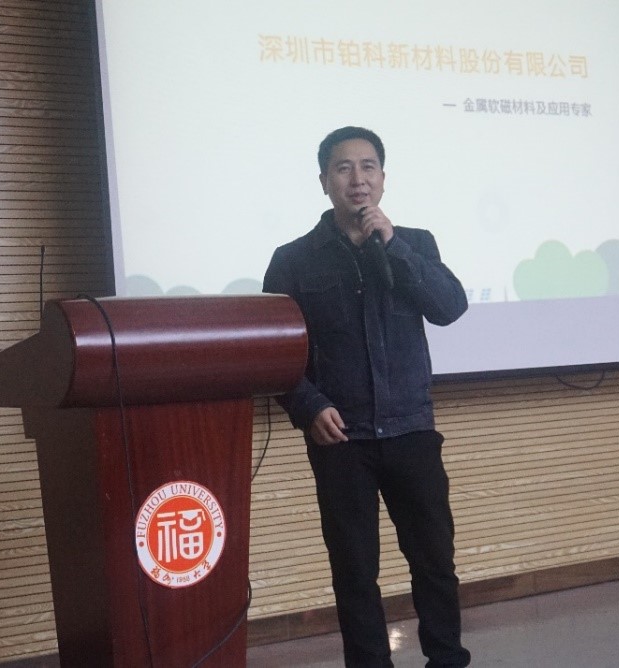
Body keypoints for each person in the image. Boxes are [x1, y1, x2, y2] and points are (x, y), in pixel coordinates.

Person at [263, 126, 471, 667]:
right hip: (341, 439)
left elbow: (449, 307)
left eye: (368, 166)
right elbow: (273, 352)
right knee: (354, 571)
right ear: (324, 181)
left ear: (382, 178)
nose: (358, 178)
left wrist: (394, 245)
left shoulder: (415, 243)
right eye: (343, 168)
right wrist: (308, 406)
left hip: (411, 431)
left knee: (434, 562)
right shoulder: (293, 260)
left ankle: (447, 659)